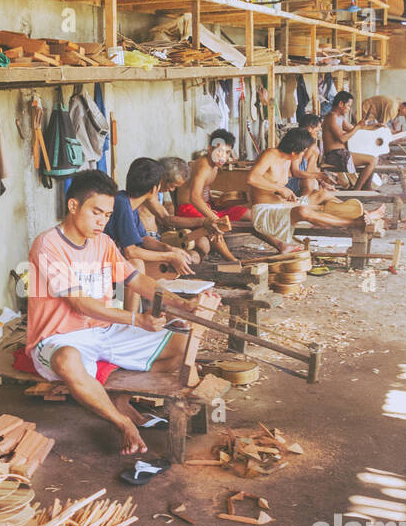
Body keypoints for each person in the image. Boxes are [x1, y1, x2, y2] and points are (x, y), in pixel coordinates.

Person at [26, 170, 213, 456]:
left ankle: (120, 398)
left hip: (104, 330)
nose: (101, 222)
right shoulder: (48, 245)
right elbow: (79, 303)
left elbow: (136, 281)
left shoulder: (103, 243)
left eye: (107, 215)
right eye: (96, 212)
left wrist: (181, 304)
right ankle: (121, 422)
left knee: (183, 343)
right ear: (73, 206)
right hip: (59, 338)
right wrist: (137, 320)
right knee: (66, 360)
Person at [245, 128, 386, 253]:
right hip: (266, 211)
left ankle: (358, 213)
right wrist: (280, 189)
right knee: (303, 211)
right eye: (303, 152)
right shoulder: (270, 155)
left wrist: (314, 180)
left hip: (283, 205)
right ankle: (354, 223)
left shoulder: (288, 159)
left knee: (322, 194)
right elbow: (252, 178)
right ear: (294, 152)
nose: (304, 154)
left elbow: (290, 177)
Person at [104, 158, 196, 305]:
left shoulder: (128, 203)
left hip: (114, 264)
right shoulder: (122, 203)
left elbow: (144, 238)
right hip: (101, 267)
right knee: (137, 263)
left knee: (167, 266)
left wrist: (170, 249)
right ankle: (130, 318)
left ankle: (144, 309)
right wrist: (170, 256)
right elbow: (131, 252)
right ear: (154, 189)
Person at [174, 129, 243, 261]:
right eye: (219, 152)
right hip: (188, 209)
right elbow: (194, 197)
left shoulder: (215, 166)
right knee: (216, 225)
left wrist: (217, 201)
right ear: (210, 149)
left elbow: (204, 190)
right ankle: (232, 260)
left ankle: (281, 245)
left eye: (227, 152)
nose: (223, 157)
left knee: (245, 212)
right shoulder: (203, 166)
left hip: (205, 206)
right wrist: (214, 218)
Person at [322, 92, 379, 190]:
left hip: (341, 154)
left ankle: (367, 187)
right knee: (372, 160)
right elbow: (342, 138)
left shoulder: (340, 118)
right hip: (334, 155)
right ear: (341, 104)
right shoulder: (331, 117)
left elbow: (356, 131)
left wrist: (375, 127)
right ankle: (357, 190)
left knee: (375, 155)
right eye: (348, 106)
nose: (349, 109)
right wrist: (358, 126)